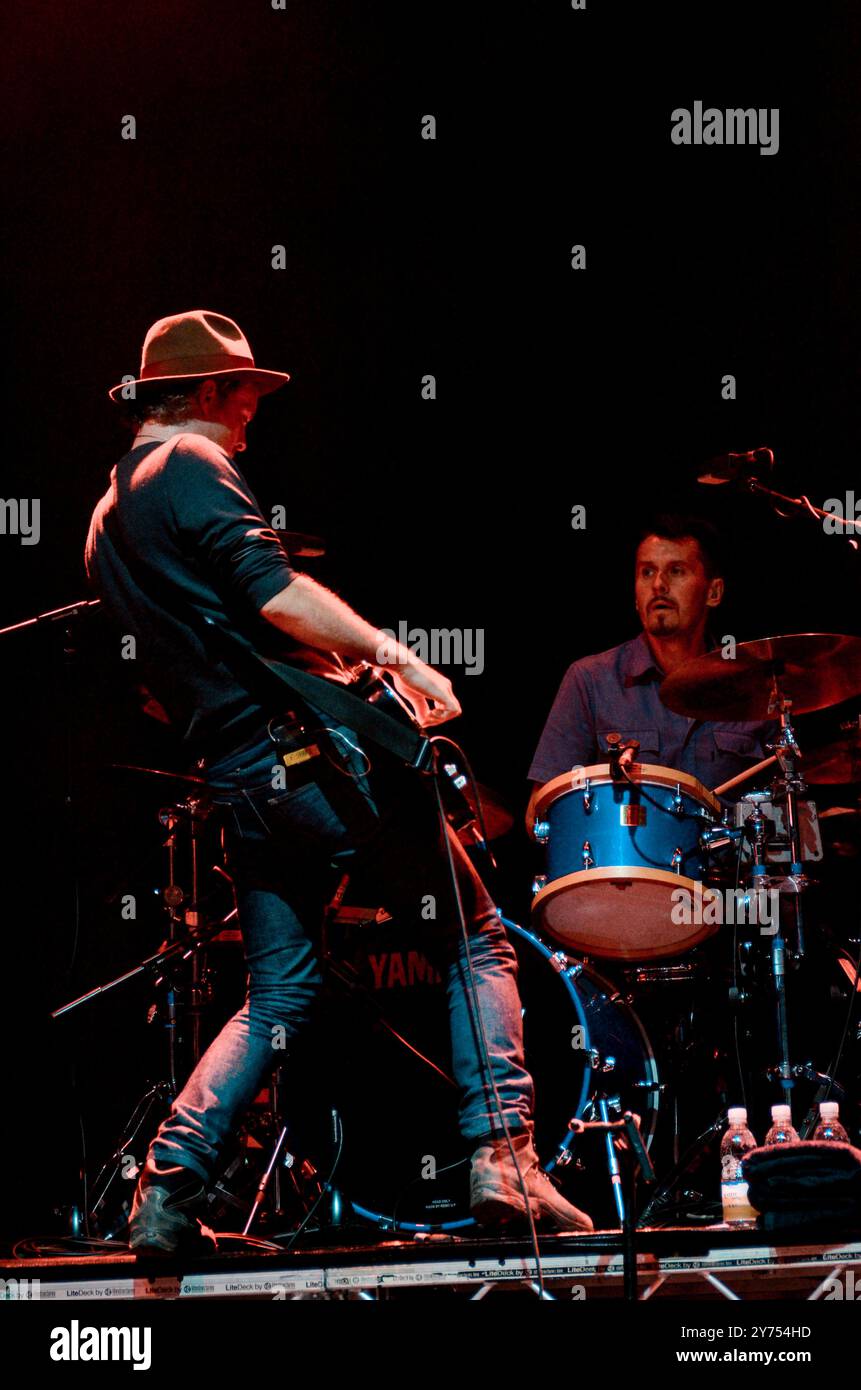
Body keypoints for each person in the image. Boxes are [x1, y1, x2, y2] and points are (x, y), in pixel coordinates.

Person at [85, 309, 593, 1254]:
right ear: (201, 393)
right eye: (244, 393)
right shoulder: (189, 468)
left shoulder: (107, 513)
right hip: (303, 761)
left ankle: (164, 1193)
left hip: (239, 776)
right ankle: (505, 1159)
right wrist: (394, 656)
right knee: (477, 940)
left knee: (279, 995)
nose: (252, 412)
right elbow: (272, 589)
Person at [527, 515, 774, 820]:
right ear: (635, 594)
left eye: (676, 571)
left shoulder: (755, 683)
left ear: (714, 592)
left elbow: (790, 809)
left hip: (729, 866)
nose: (658, 585)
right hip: (628, 866)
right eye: (647, 572)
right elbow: (538, 815)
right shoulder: (590, 680)